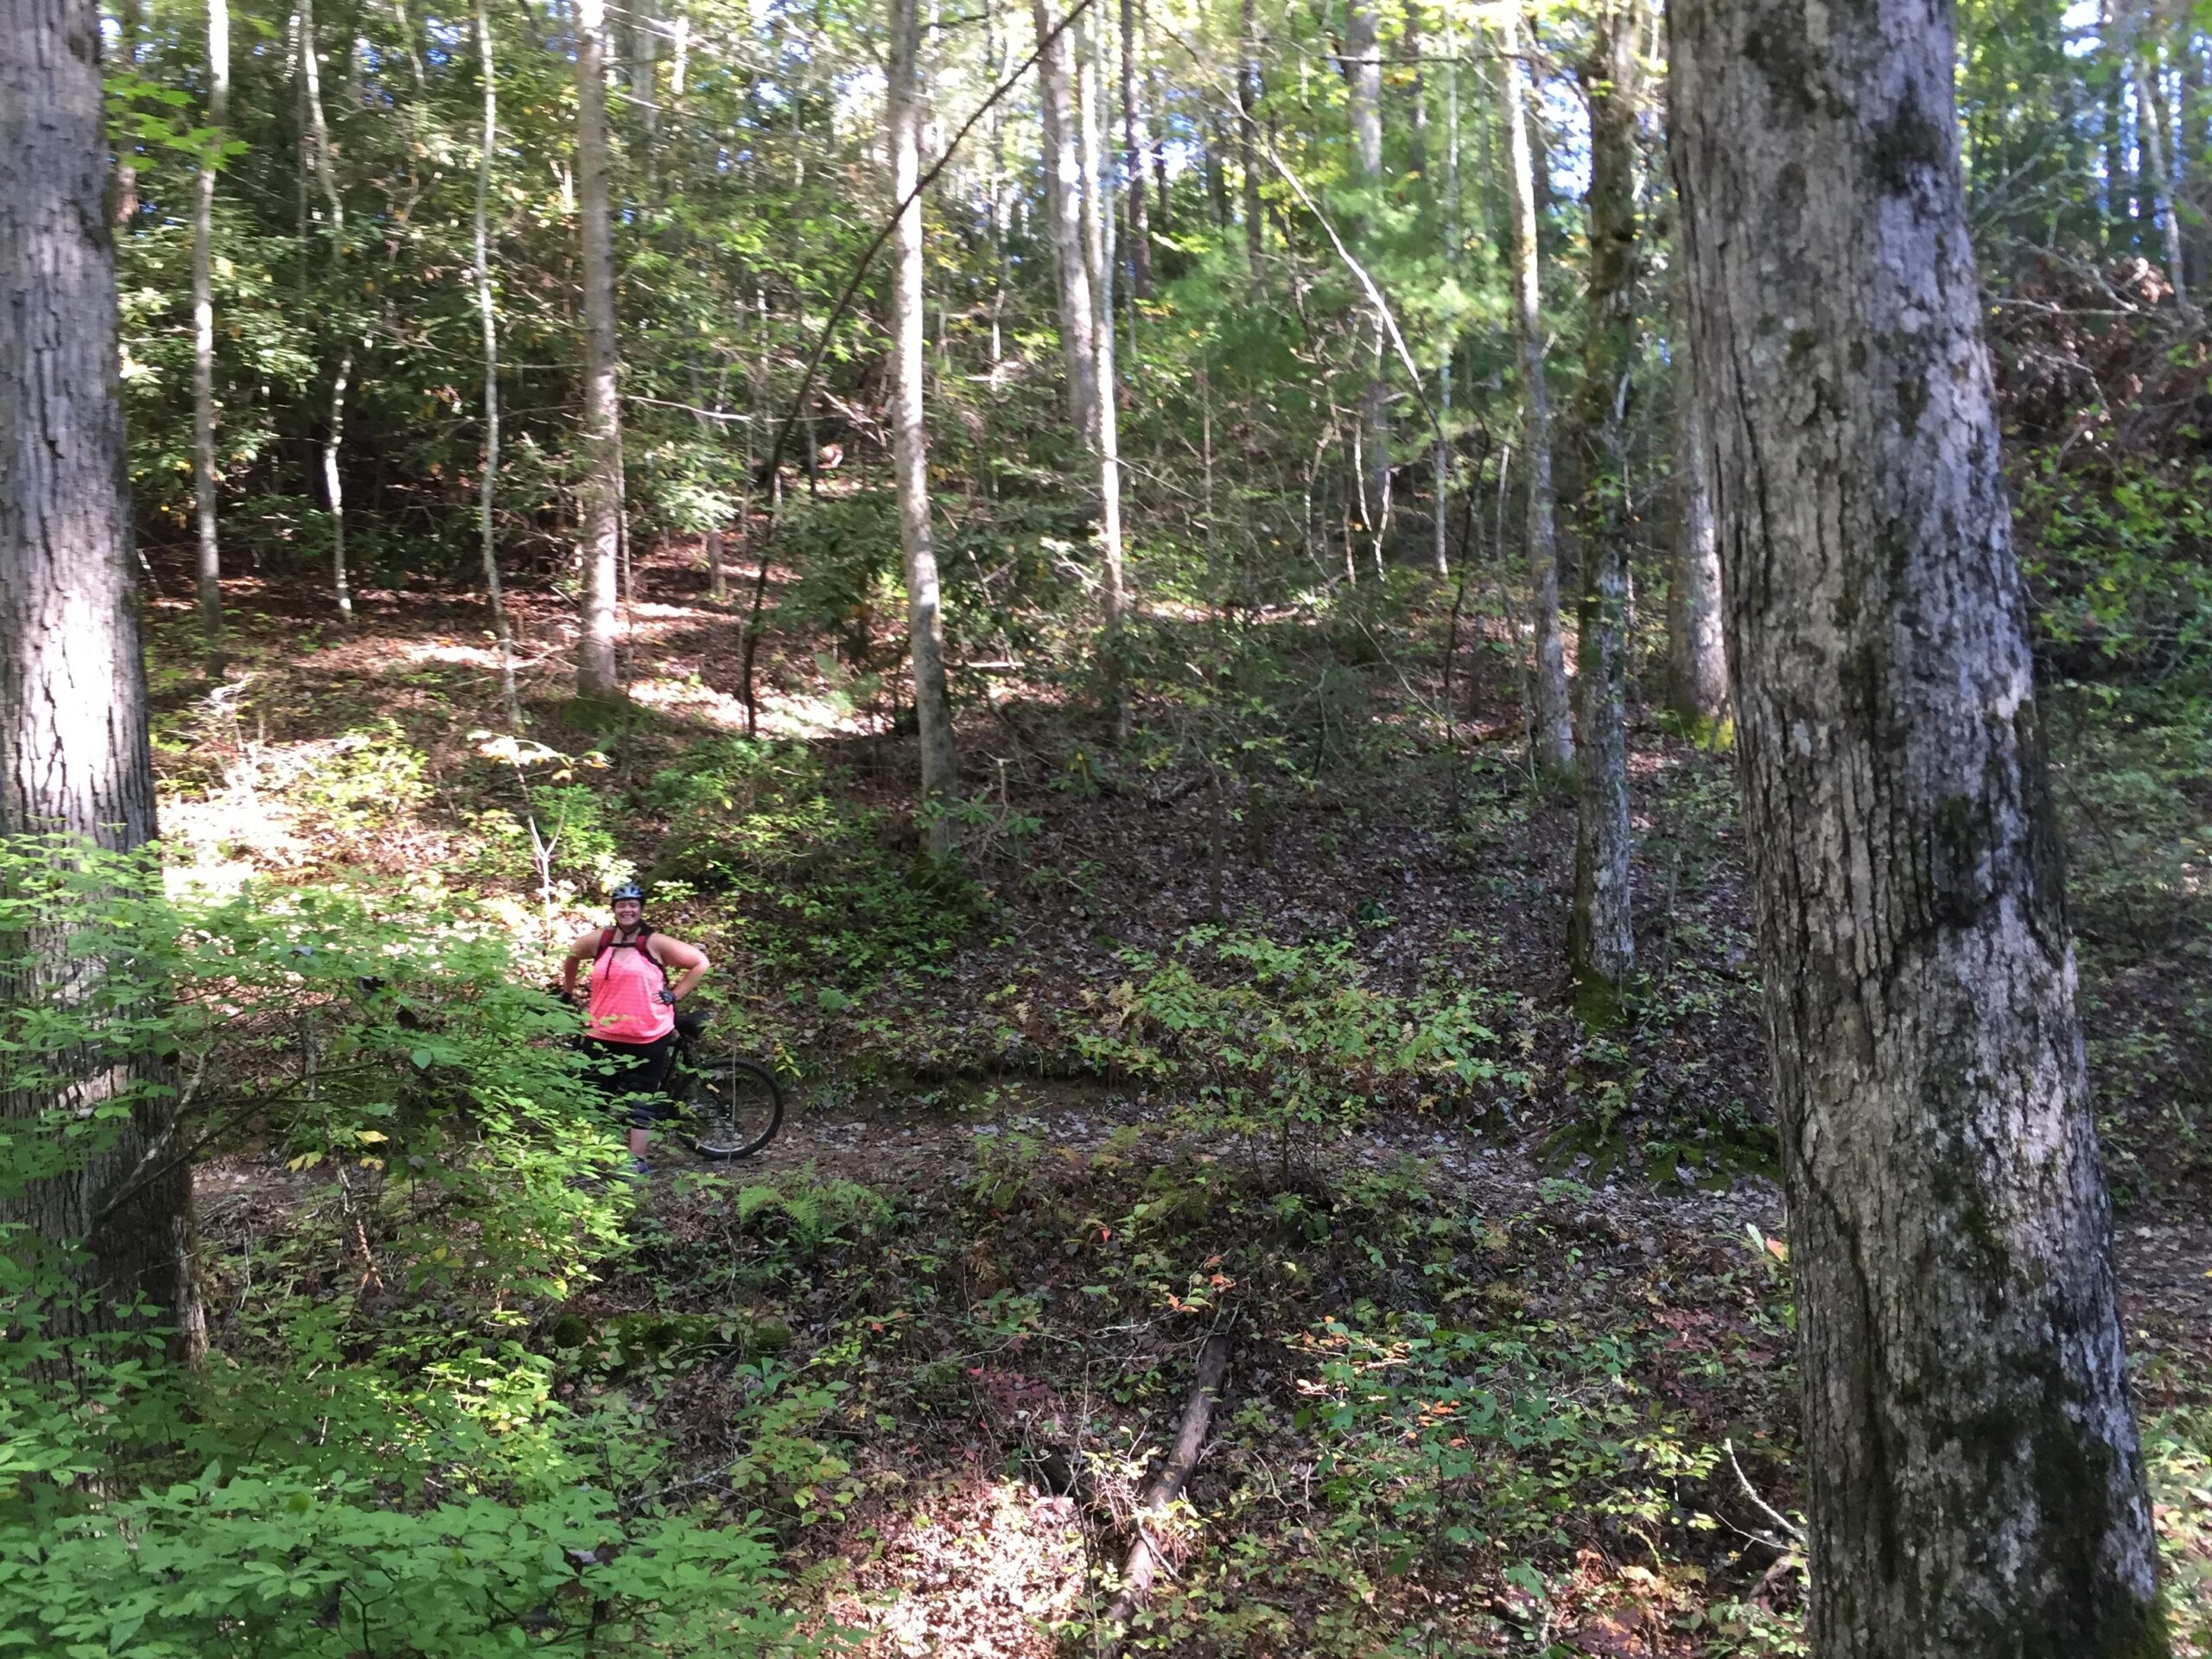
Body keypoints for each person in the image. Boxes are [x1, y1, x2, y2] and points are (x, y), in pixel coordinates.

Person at [560, 883, 709, 1172]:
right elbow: (572, 955)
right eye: (621, 905)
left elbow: (699, 963)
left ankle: (636, 1161)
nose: (627, 910)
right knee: (594, 1096)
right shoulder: (601, 940)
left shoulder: (653, 942)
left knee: (641, 1098)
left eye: (633, 905)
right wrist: (567, 991)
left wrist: (674, 995)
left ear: (641, 909)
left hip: (647, 1035)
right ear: (614, 909)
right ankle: (591, 1158)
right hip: (600, 1033)